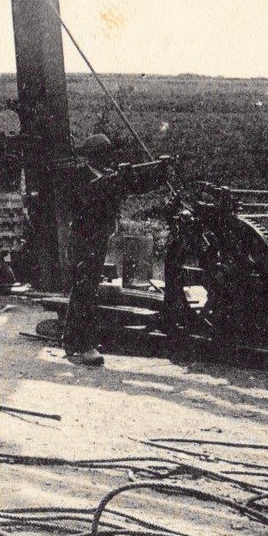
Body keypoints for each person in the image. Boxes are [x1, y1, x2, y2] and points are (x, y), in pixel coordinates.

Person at [60, 133, 172, 367]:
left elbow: (134, 186)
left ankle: (73, 341)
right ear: (96, 155)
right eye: (105, 153)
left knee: (87, 289)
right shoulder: (81, 176)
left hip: (97, 239)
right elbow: (89, 196)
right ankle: (80, 344)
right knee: (84, 290)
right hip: (84, 240)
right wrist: (116, 179)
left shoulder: (106, 176)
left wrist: (159, 173)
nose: (109, 157)